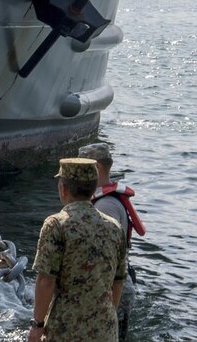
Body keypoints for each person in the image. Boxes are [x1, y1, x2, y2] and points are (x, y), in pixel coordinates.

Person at [29, 157, 128, 342]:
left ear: (63, 189)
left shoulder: (56, 224)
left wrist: (37, 325)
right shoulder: (115, 228)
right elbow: (119, 280)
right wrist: (106, 316)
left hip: (65, 330)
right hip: (105, 330)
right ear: (93, 189)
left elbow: (46, 280)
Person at [79, 142, 146, 341]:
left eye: (81, 167)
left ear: (97, 167)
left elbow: (102, 257)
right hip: (116, 287)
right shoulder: (107, 199)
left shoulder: (104, 206)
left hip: (111, 291)